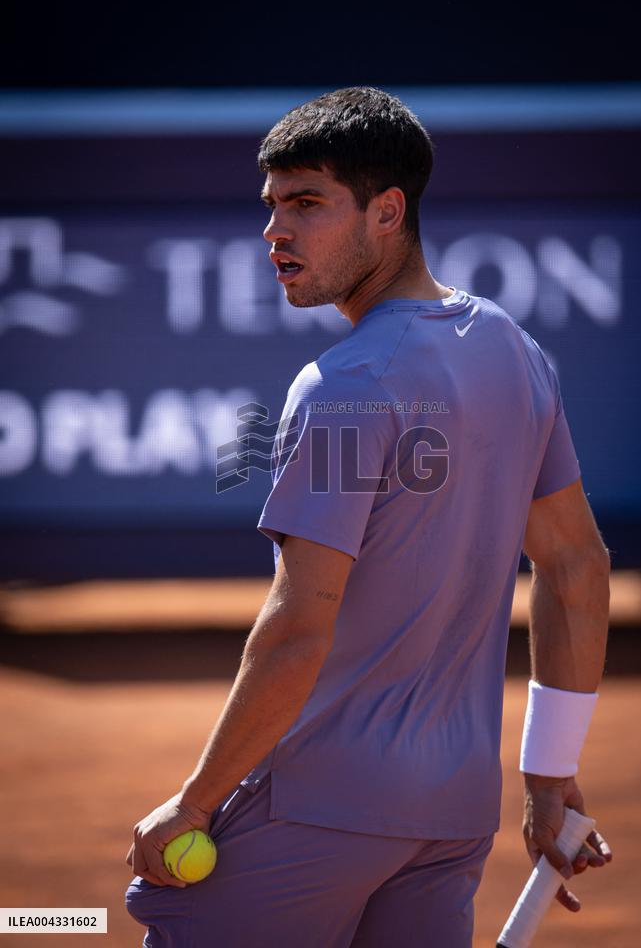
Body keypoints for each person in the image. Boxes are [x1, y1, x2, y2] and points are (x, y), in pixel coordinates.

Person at [126, 87, 612, 947]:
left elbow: (297, 627)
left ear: (388, 212)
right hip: (452, 819)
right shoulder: (516, 351)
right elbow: (576, 566)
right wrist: (547, 777)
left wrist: (195, 803)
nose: (276, 230)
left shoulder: (344, 383)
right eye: (272, 205)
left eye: (308, 204)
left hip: (318, 810)